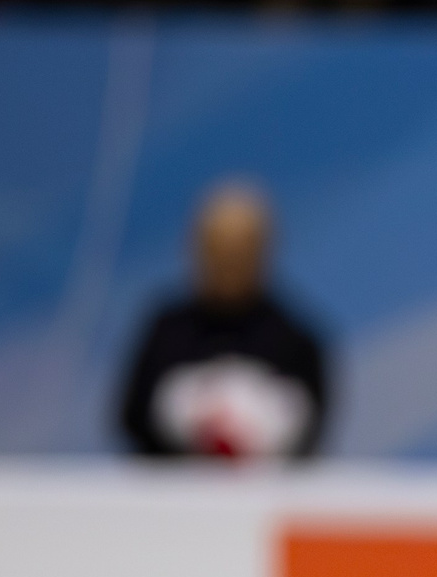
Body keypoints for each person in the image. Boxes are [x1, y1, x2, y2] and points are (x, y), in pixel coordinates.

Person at [116, 181, 331, 459]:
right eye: (218, 246)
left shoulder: (296, 342)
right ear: (197, 247)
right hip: (173, 496)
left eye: (240, 248)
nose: (228, 260)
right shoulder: (166, 331)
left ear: (264, 249)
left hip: (260, 499)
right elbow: (132, 419)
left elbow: (310, 435)